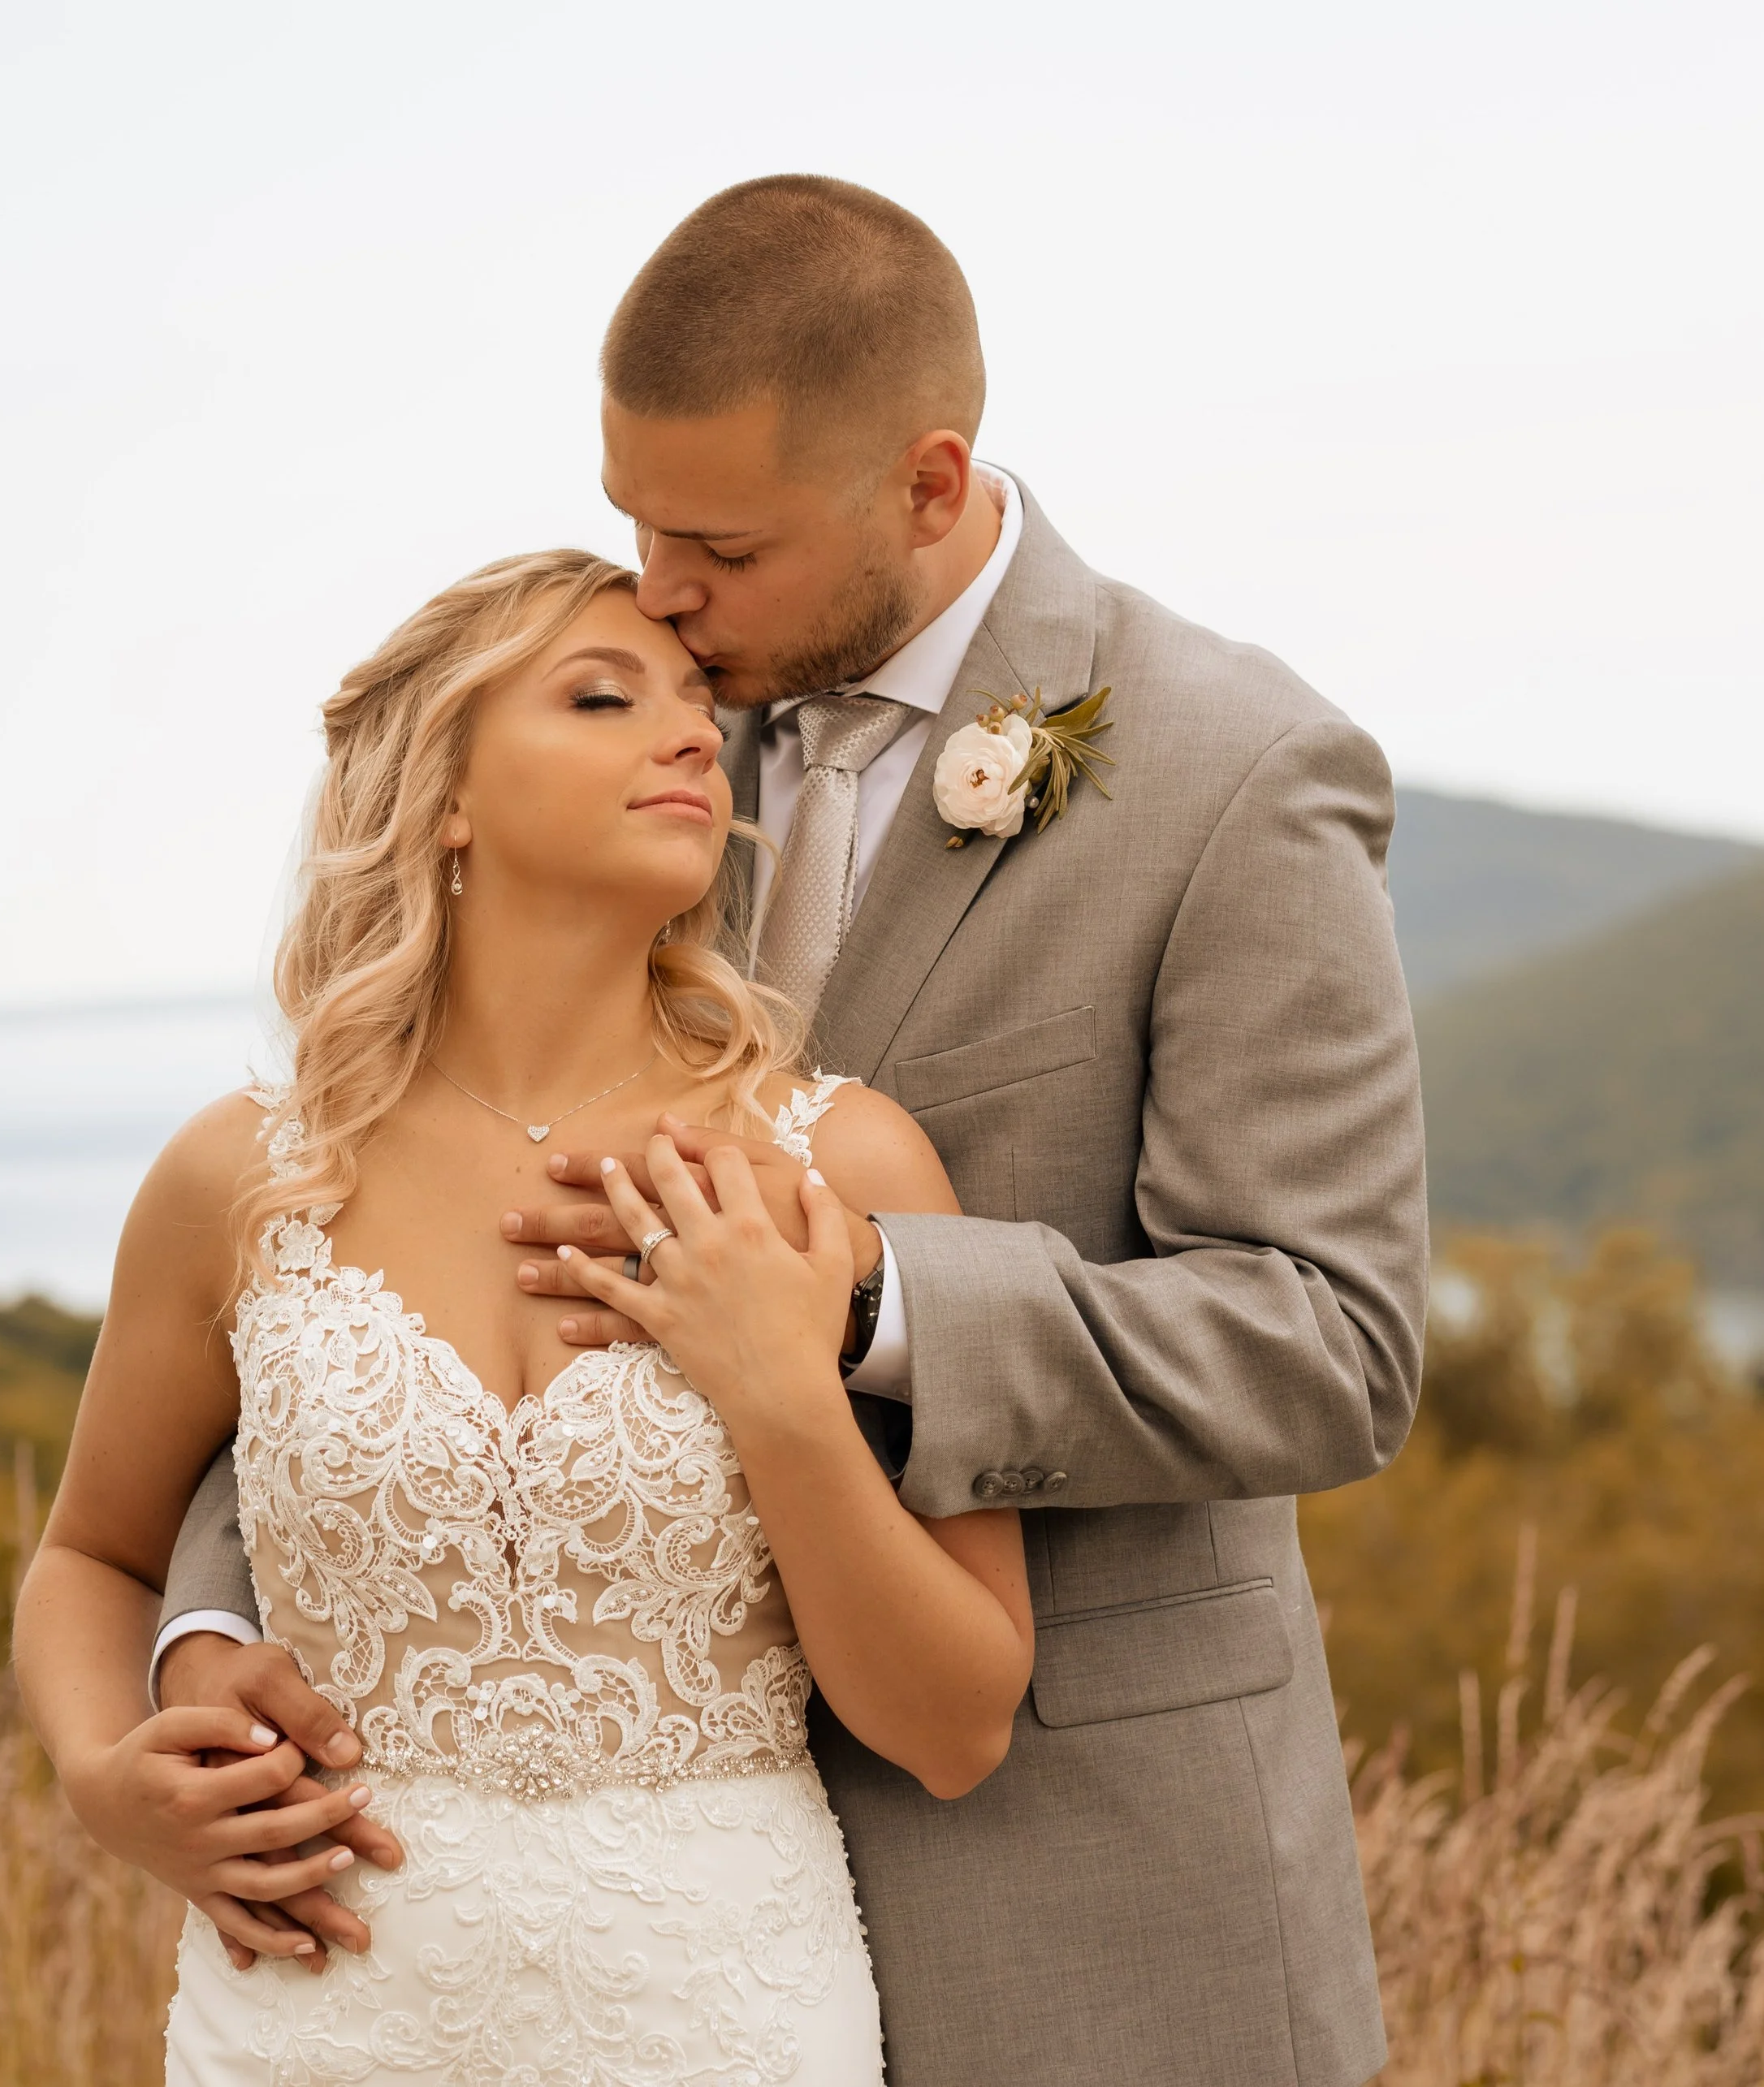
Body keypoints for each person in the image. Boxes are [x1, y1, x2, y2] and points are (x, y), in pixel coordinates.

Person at [134, 177, 1430, 2085]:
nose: (657, 587)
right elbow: (380, 1287)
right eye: (633, 522)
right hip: (629, 1923)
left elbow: (1334, 1339)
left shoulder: (1232, 772)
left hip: (1087, 1880)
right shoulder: (653, 731)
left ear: (924, 484)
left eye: (715, 542)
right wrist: (198, 1636)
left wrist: (862, 1304)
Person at [13, 549, 1036, 2085]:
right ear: (447, 797)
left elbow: (958, 1724)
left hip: (724, 2015)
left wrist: (777, 1387)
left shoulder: (838, 1161)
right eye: (605, 696)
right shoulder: (242, 1175)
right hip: (314, 2014)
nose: (693, 735)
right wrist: (109, 1780)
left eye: (698, 705)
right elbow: (92, 1554)